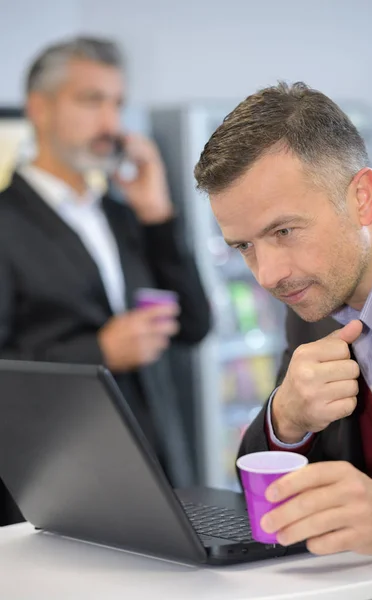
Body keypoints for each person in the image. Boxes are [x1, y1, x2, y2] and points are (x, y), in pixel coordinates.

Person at [0, 36, 211, 524]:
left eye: (117, 103)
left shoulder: (122, 216)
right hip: (56, 483)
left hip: (158, 468)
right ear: (40, 108)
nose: (111, 124)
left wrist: (158, 214)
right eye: (91, 100)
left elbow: (196, 325)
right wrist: (99, 353)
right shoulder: (6, 222)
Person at [194, 81, 372, 559]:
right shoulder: (313, 288)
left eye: (284, 231)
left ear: (362, 198)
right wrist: (287, 418)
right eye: (244, 246)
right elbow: (260, 491)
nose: (268, 276)